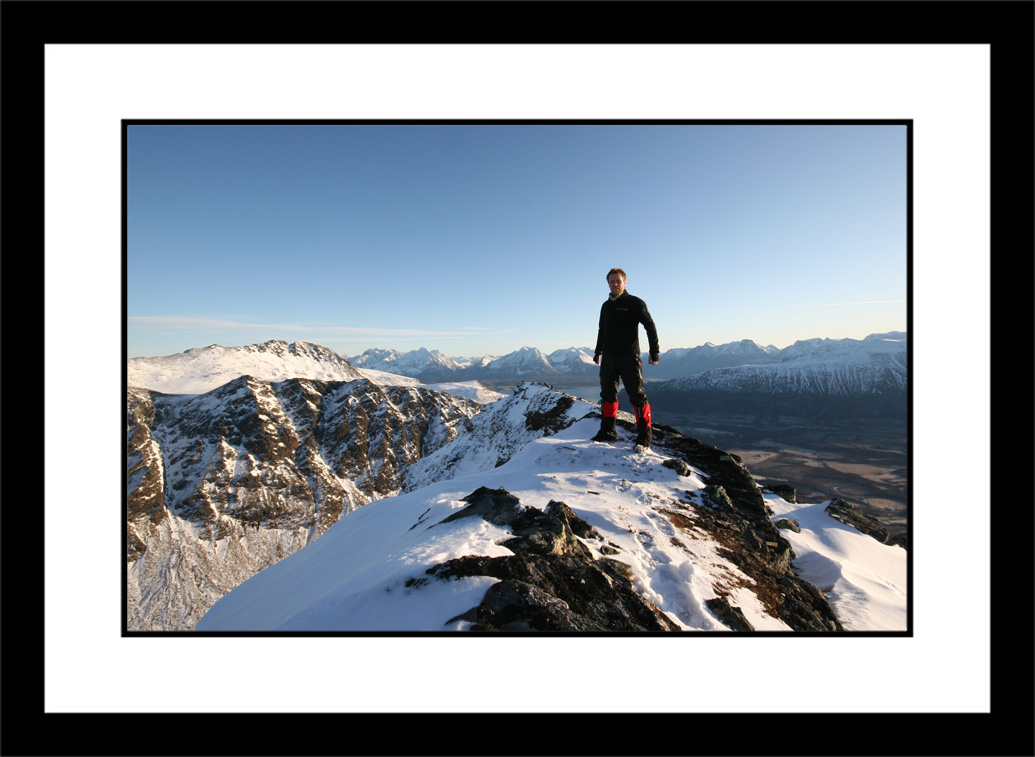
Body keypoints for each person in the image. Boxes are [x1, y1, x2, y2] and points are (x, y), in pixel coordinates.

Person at [592, 267, 660, 448]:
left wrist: (654, 351)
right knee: (608, 394)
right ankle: (608, 431)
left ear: (625, 282)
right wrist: (598, 351)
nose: (615, 284)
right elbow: (602, 330)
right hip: (609, 357)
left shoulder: (635, 303)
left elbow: (650, 326)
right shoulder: (606, 306)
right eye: (612, 281)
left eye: (618, 281)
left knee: (637, 395)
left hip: (629, 356)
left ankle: (645, 437)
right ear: (608, 283)